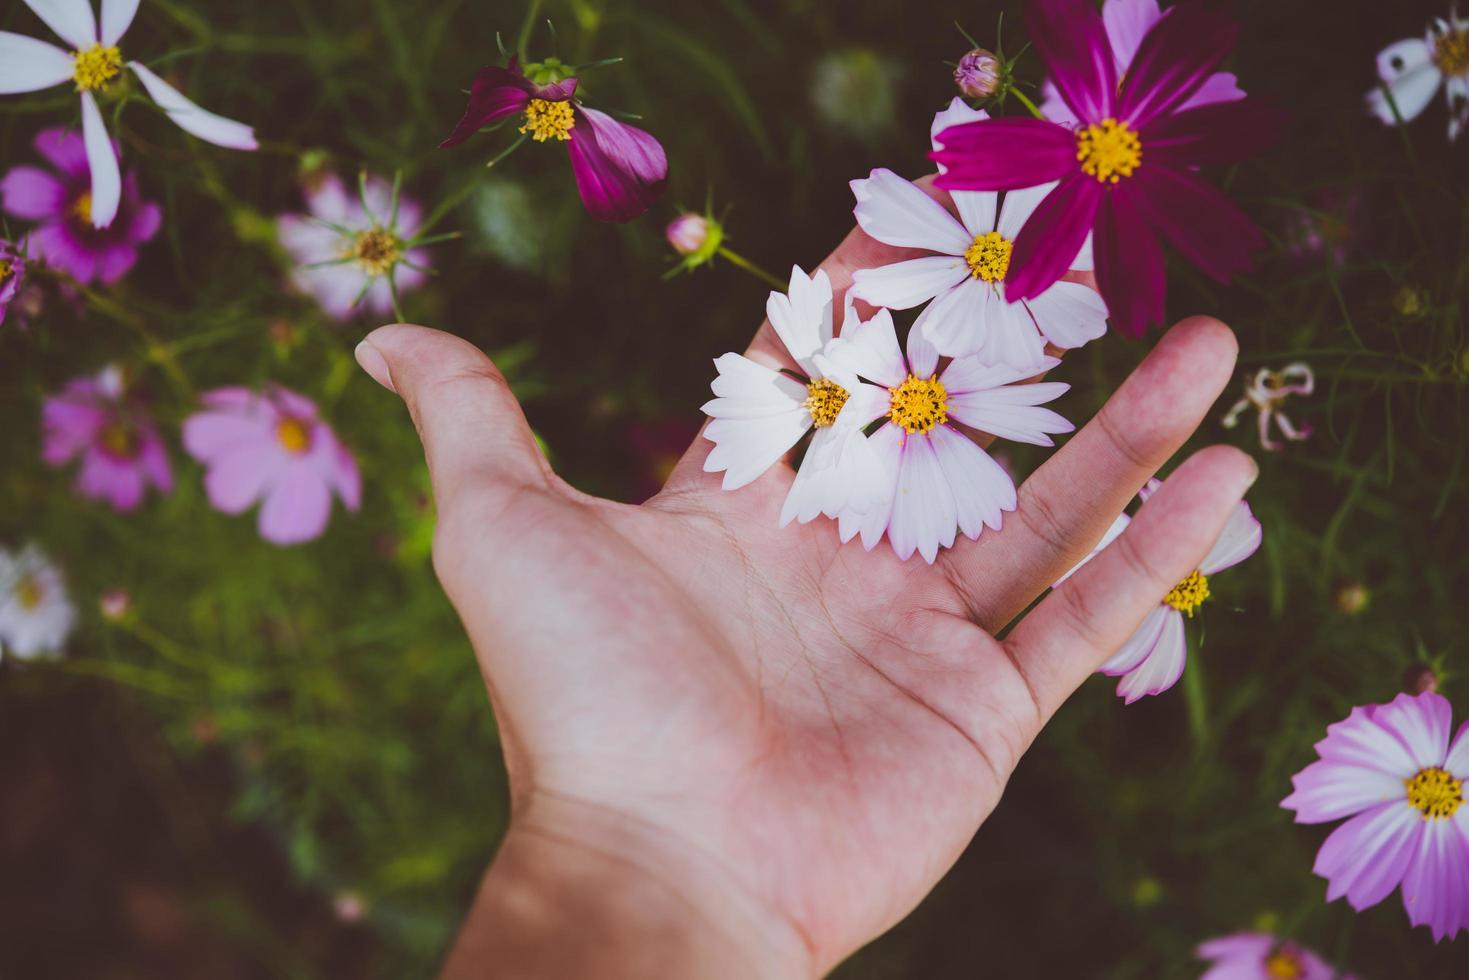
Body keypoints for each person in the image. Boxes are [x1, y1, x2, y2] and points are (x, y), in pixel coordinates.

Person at [351, 196, 1256, 978]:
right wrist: (645, 846)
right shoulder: (869, 406)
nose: (911, 400)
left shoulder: (905, 393)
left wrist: (631, 841)